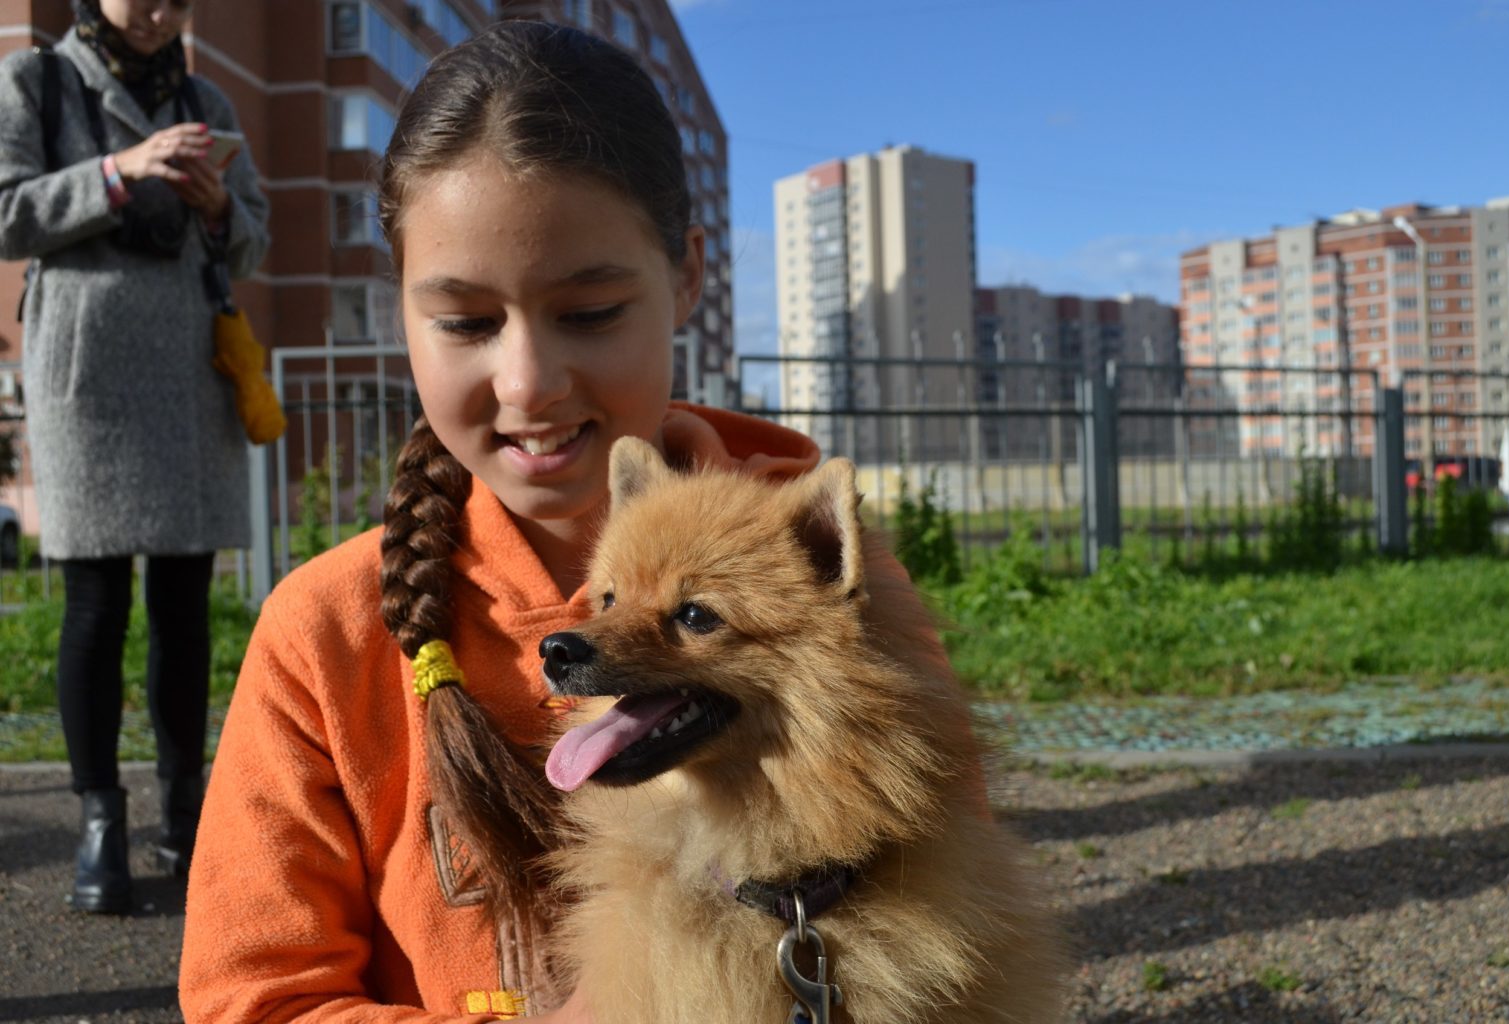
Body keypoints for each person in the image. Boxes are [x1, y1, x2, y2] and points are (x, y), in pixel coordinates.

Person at [179, 20, 957, 1022]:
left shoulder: (839, 589)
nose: (528, 384)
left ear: (686, 274)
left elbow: (953, 920)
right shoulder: (324, 634)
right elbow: (253, 996)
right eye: (464, 321)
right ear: (400, 310)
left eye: (587, 312)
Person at [0, 0, 269, 915]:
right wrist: (118, 172)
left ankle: (187, 812)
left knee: (185, 602)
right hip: (86, 371)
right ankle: (100, 819)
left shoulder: (206, 97)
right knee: (95, 600)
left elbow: (256, 237)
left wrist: (218, 202)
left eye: (177, 1)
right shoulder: (37, 82)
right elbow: (6, 215)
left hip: (192, 368)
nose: (159, 13)